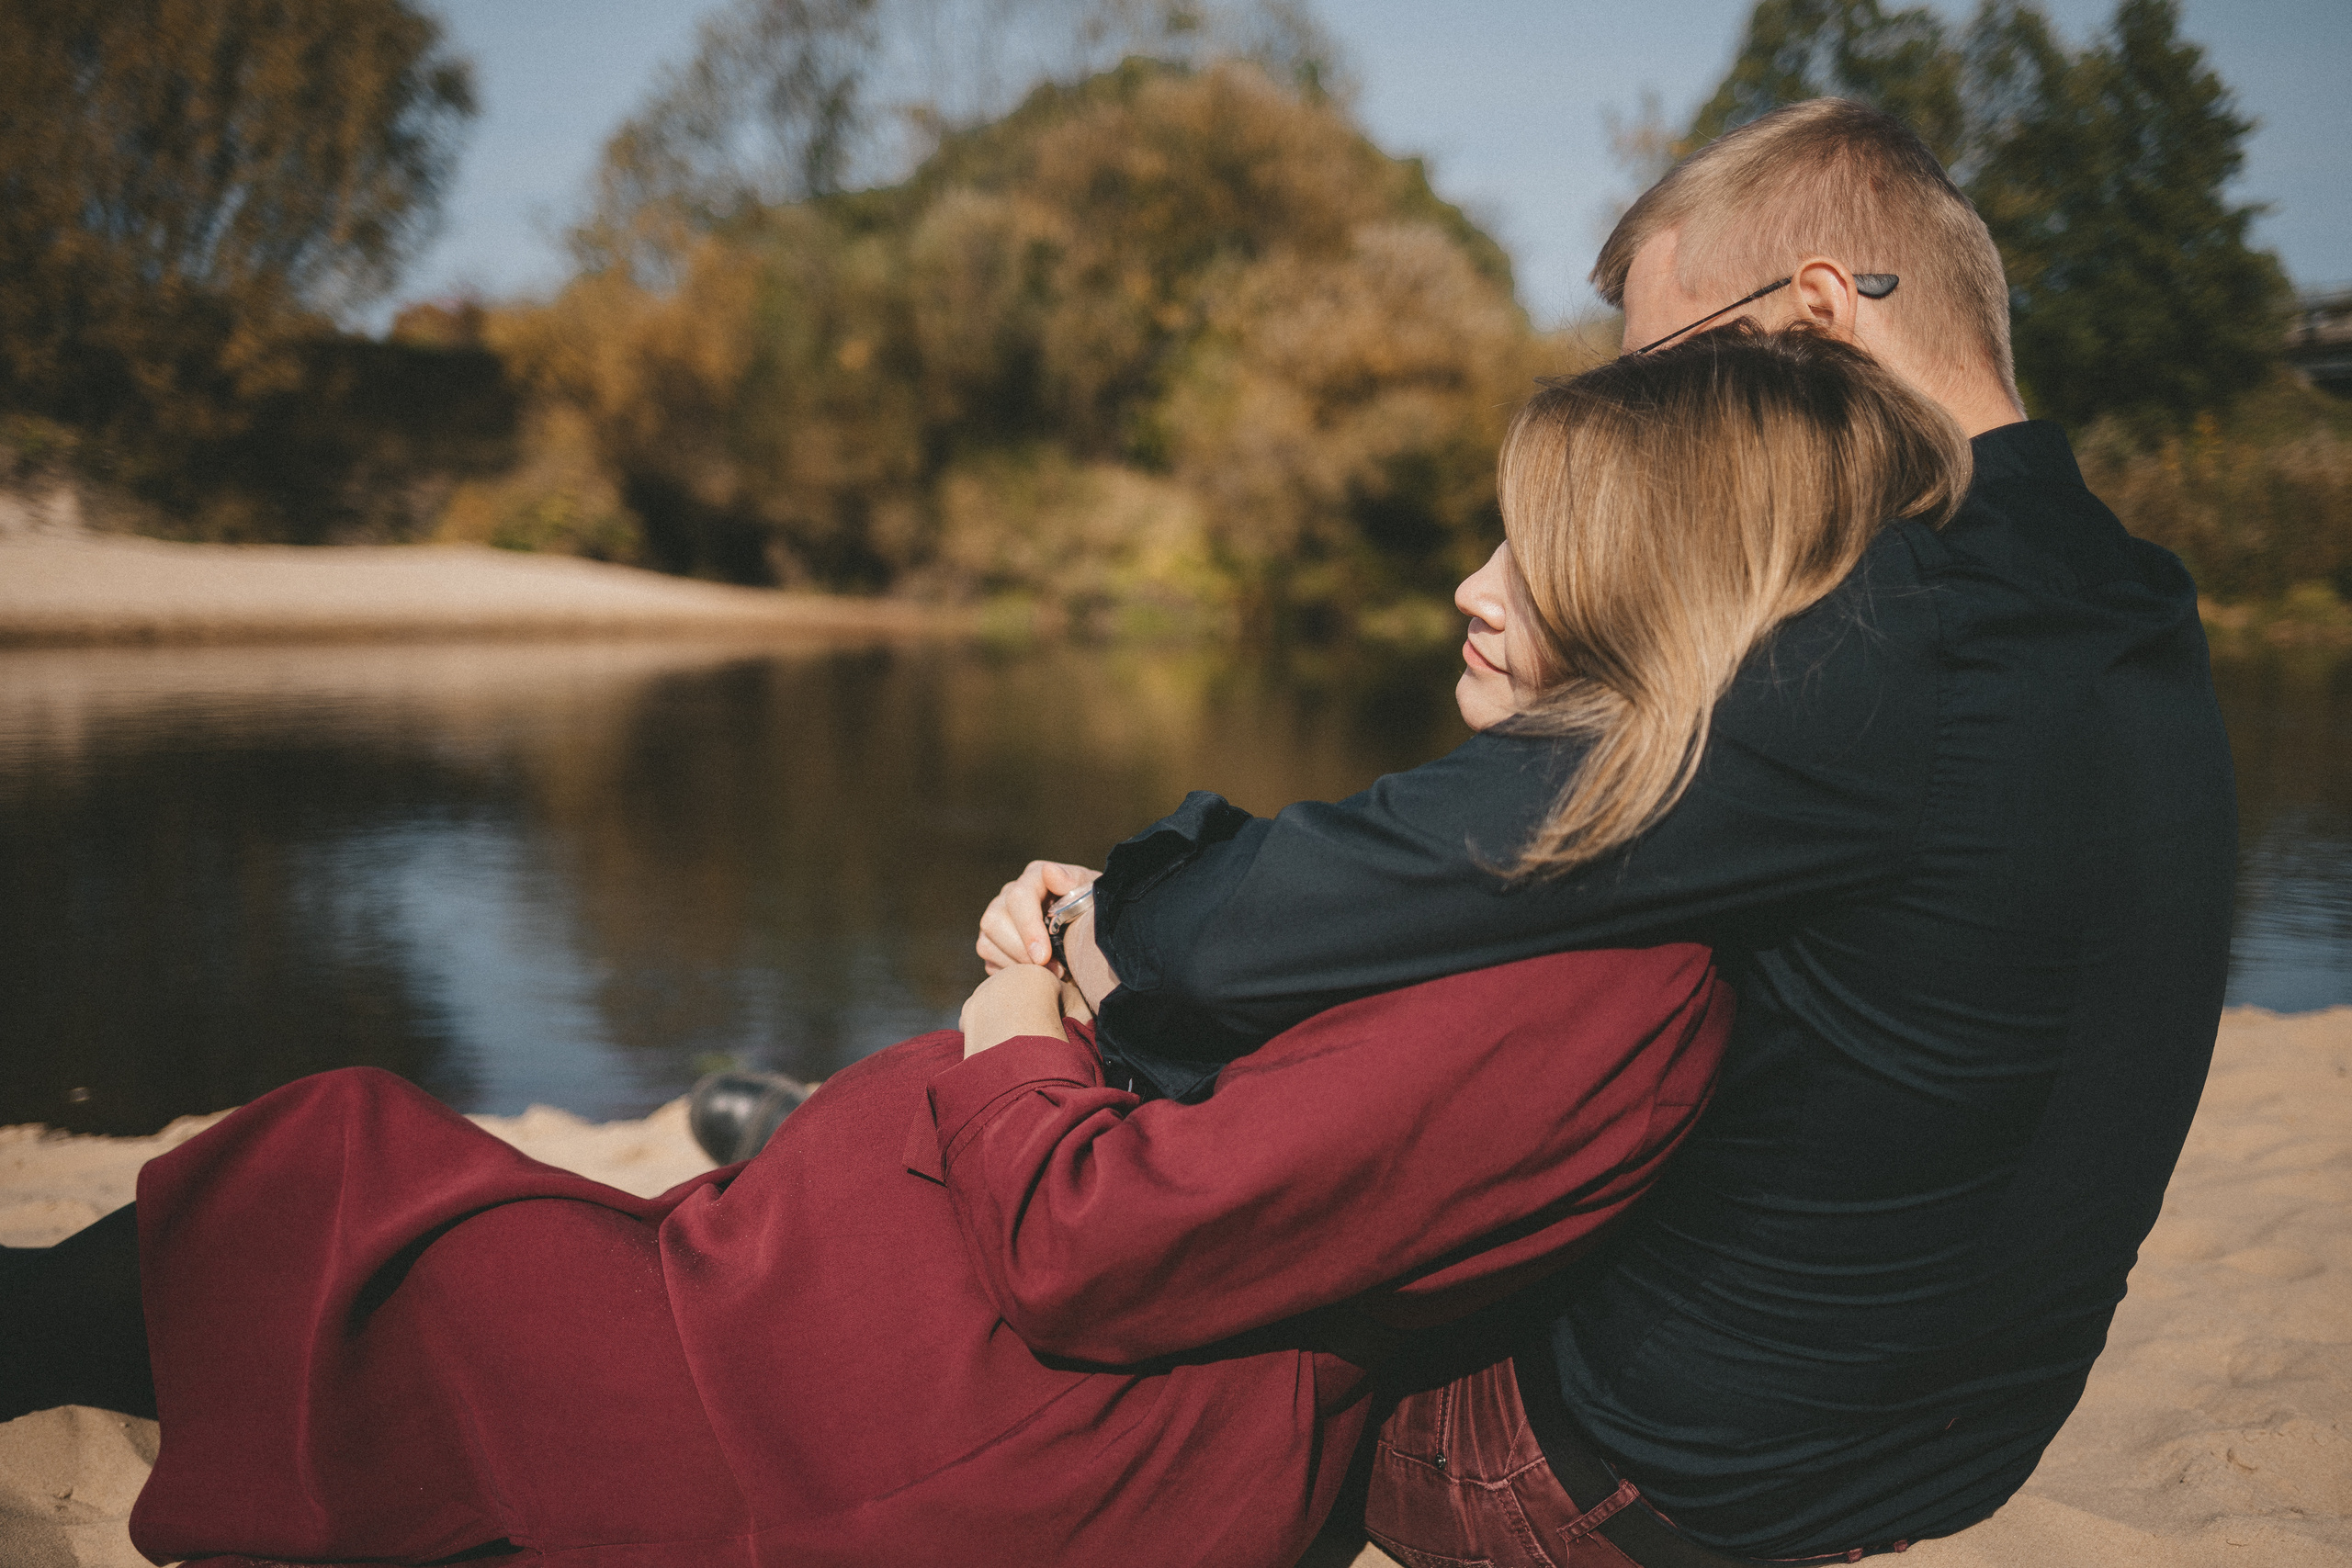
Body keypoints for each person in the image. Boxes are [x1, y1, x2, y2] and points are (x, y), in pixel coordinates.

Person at [0, 322, 1964, 1568]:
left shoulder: (1585, 974)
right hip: (911, 1345)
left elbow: (1101, 1246)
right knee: (390, 1202)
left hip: (981, 1438)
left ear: (1650, 585)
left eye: (1529, 554)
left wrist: (1013, 1016)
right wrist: (1107, 958)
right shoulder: (1552, 873)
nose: (1466, 583)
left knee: (353, 1185)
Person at [979, 100, 2237, 1564]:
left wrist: (1099, 926)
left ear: (1819, 316)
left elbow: (1321, 903)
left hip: (1645, 1465)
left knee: (1157, 1277)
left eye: (1657, 375)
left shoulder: (1872, 644)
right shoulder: (2124, 597)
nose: (1637, 427)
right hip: (1945, 1436)